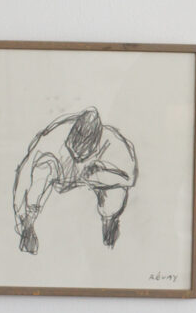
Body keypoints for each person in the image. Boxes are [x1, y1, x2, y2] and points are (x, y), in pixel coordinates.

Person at [12, 107, 138, 254]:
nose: (78, 159)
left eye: (83, 155)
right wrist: (23, 220)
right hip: (63, 174)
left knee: (117, 194)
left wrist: (100, 173)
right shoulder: (51, 138)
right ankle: (29, 224)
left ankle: (109, 224)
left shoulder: (115, 143)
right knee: (42, 169)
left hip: (95, 177)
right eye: (74, 152)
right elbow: (24, 176)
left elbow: (130, 178)